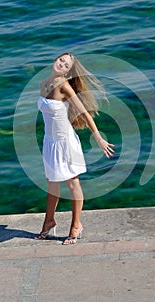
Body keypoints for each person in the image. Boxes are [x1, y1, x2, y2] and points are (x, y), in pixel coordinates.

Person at [35, 53, 115, 244]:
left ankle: (76, 225)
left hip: (65, 142)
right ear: (55, 60)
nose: (61, 64)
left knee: (72, 183)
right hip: (50, 141)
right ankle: (49, 222)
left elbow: (85, 113)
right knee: (52, 184)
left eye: (66, 64)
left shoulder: (65, 87)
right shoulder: (44, 83)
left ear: (69, 71)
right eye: (60, 60)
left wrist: (98, 137)